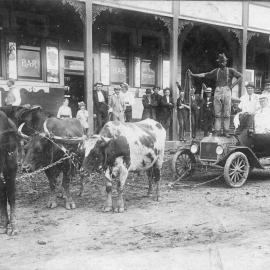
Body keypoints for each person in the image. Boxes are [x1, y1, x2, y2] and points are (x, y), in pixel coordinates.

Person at [189, 53, 242, 137]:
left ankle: (226, 131)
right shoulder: (216, 71)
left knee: (227, 112)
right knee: (217, 113)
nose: (222, 63)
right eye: (220, 62)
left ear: (226, 62)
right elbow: (205, 74)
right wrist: (193, 75)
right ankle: (217, 131)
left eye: (223, 61)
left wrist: (231, 86)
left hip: (226, 90)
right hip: (217, 90)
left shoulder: (231, 70)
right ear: (218, 62)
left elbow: (240, 76)